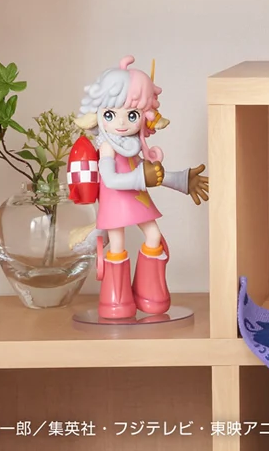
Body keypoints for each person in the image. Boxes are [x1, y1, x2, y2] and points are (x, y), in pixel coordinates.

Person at [73, 57, 208, 319]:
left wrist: (181, 180)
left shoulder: (133, 146)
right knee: (117, 244)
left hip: (137, 199)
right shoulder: (107, 146)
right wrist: (141, 178)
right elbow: (111, 180)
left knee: (153, 236)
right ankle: (116, 301)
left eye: (132, 115)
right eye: (110, 114)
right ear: (99, 114)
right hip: (115, 202)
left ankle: (150, 295)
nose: (121, 122)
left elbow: (151, 176)